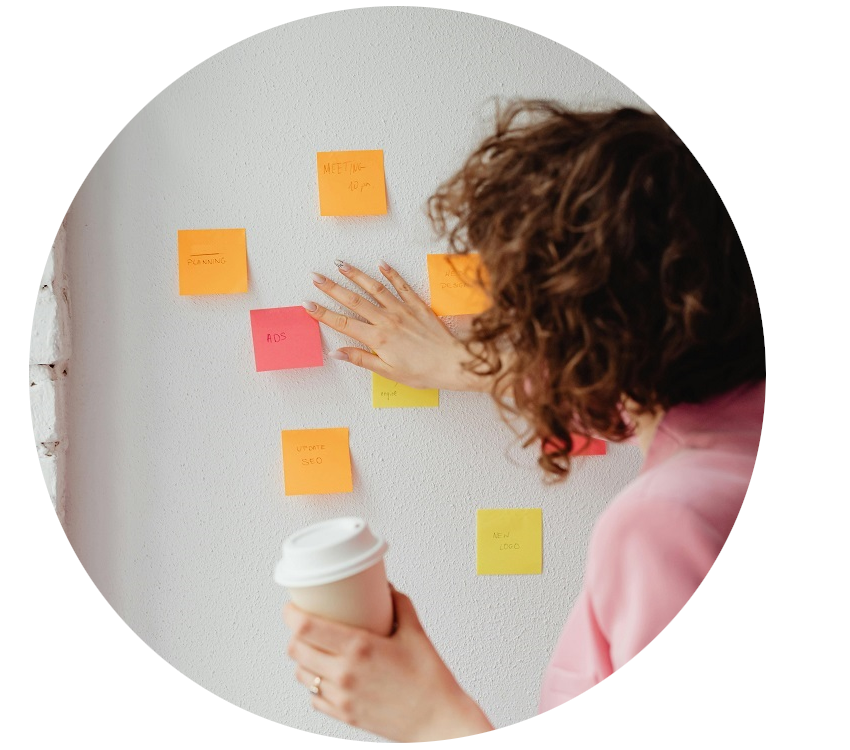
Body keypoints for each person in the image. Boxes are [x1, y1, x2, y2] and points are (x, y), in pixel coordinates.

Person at [283, 101, 765, 741]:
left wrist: (434, 718)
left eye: (517, 305)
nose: (502, 324)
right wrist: (466, 364)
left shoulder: (664, 522)